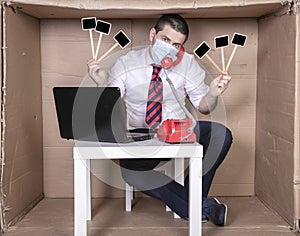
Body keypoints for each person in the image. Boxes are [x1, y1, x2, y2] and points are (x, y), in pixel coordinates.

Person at [88, 14, 233, 226]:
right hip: (141, 136)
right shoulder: (127, 62)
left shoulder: (188, 64)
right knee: (133, 175)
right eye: (165, 40)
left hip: (179, 131)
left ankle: (191, 203)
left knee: (221, 134)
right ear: (153, 34)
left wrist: (213, 93)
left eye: (176, 44)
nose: (169, 48)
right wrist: (102, 82)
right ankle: (202, 206)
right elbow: (109, 103)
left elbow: (203, 108)